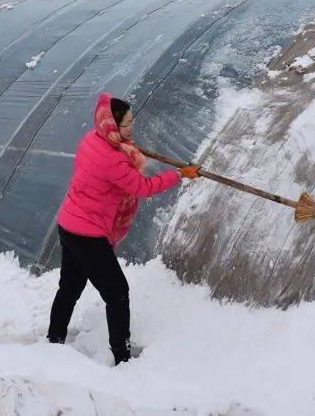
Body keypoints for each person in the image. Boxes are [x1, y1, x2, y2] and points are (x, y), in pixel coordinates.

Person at [47, 93, 200, 365]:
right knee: (117, 293)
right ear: (112, 127)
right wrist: (180, 175)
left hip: (68, 224)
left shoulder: (92, 140)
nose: (132, 129)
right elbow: (143, 188)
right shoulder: (114, 160)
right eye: (126, 125)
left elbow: (115, 159)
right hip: (88, 235)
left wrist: (127, 147)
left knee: (69, 287)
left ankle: (53, 340)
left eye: (132, 122)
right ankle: (122, 357)